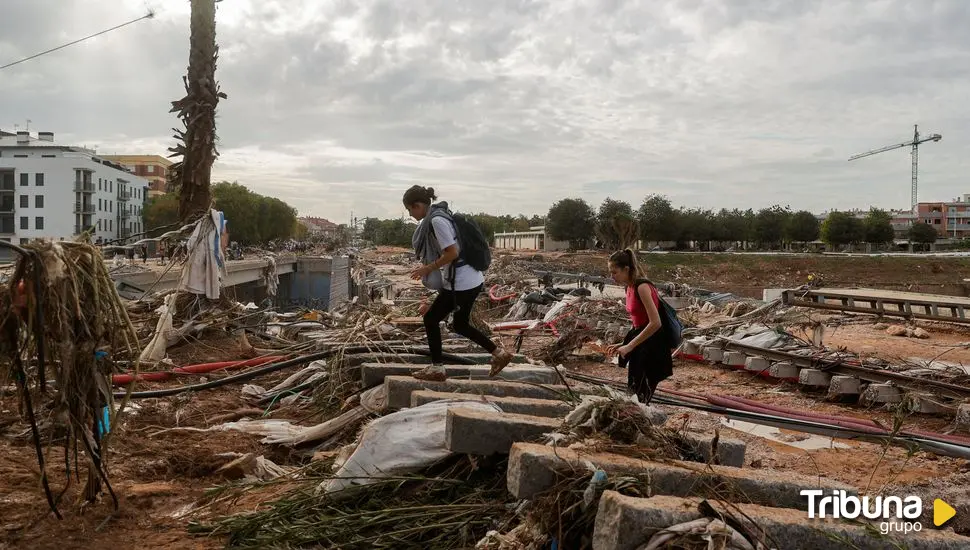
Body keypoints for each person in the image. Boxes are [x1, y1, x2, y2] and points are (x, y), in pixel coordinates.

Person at [404, 185, 513, 381]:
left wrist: (428, 268)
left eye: (410, 210)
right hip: (468, 279)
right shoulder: (440, 215)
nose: (410, 214)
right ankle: (499, 354)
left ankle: (437, 368)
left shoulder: (436, 221)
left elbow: (453, 252)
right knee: (460, 324)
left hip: (462, 282)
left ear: (418, 205)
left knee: (430, 319)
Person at [606, 248, 673, 404]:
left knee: (640, 395)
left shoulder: (642, 287)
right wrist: (623, 343)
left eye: (614, 272)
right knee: (635, 392)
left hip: (652, 345)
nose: (612, 276)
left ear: (626, 269)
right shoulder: (628, 287)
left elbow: (655, 323)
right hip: (640, 341)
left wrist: (629, 346)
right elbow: (638, 321)